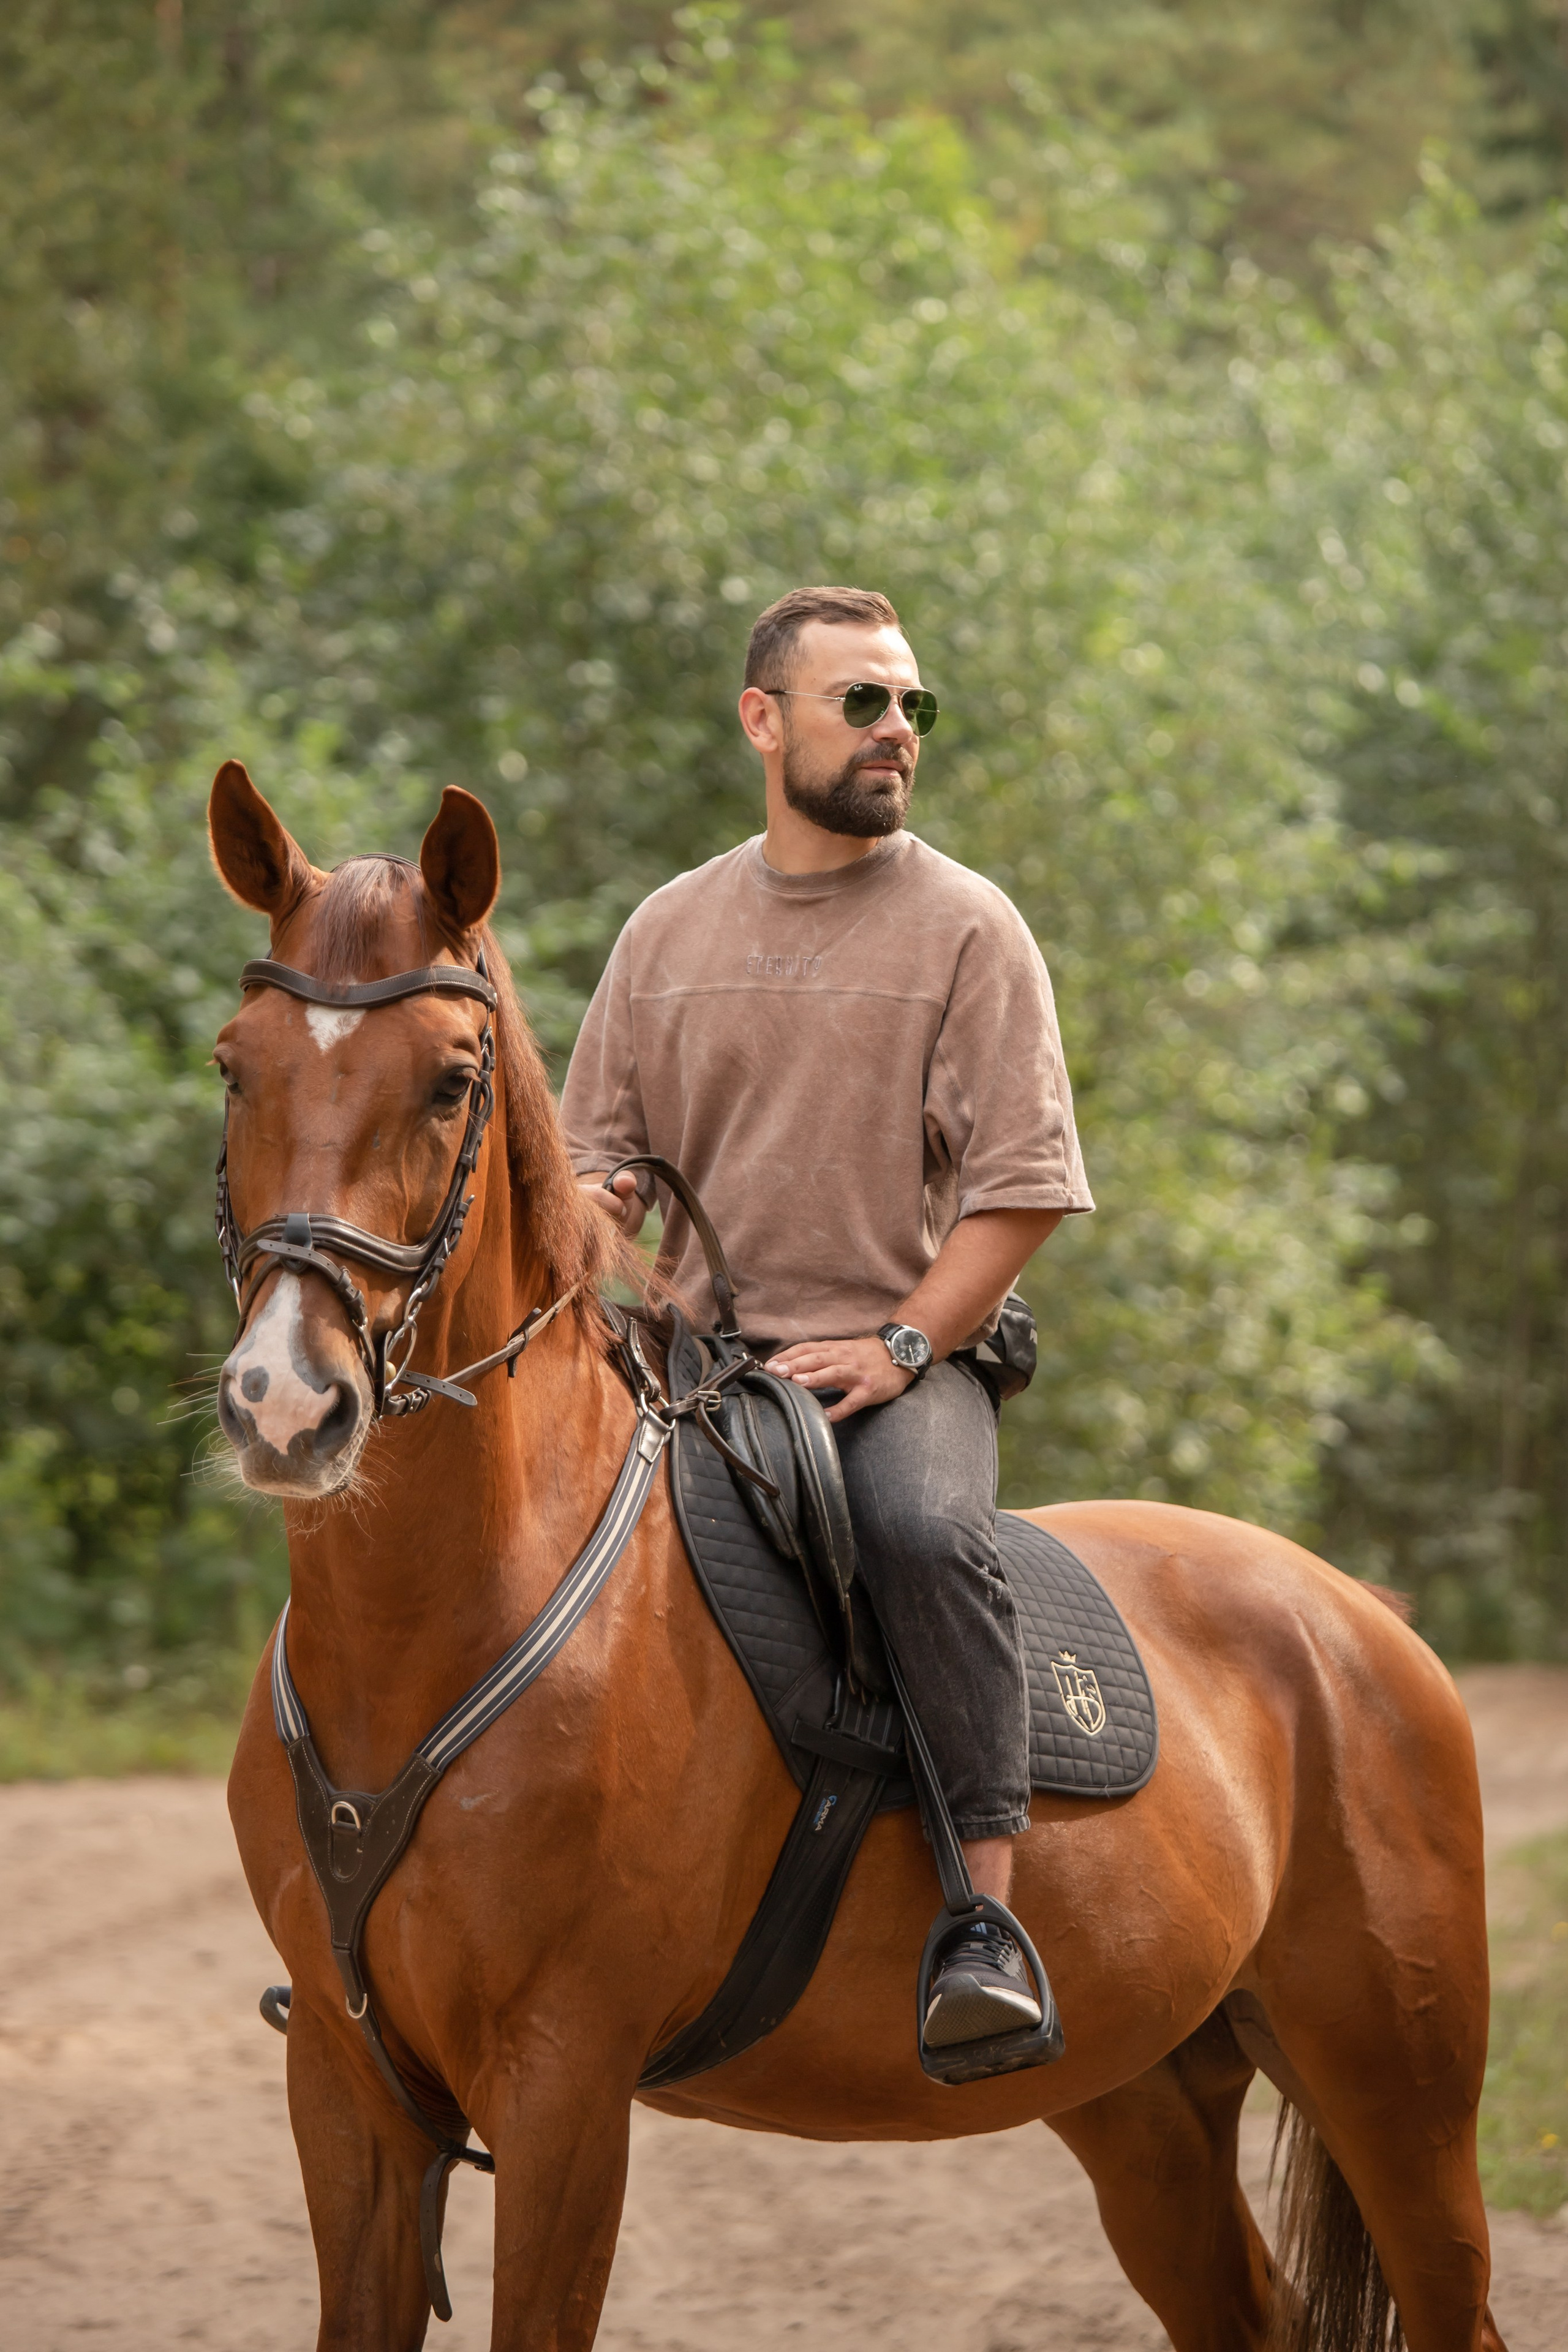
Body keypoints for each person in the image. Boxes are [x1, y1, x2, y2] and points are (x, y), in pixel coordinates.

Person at [562, 585, 1093, 2046]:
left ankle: (980, 1921)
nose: (894, 733)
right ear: (762, 719)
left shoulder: (967, 928)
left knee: (922, 1536)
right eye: (860, 701)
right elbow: (591, 1173)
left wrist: (906, 1343)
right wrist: (595, 1227)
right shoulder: (665, 931)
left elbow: (1021, 1188)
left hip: (889, 1360)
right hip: (683, 1365)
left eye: (909, 705)